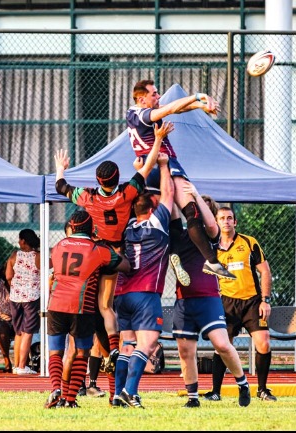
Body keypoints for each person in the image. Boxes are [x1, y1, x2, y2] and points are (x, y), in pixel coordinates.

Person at [54, 121, 173, 373]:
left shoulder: (88, 197)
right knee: (106, 306)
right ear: (118, 178)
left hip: (92, 254)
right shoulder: (127, 193)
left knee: (88, 304)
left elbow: (60, 187)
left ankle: (93, 358)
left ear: (98, 180)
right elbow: (148, 166)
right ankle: (114, 346)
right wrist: (158, 138)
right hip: (115, 253)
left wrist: (60, 169)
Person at [126, 79, 235, 281]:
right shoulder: (142, 114)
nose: (158, 96)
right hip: (165, 162)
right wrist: (198, 96)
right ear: (141, 99)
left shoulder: (136, 114)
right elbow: (171, 109)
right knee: (191, 212)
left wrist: (200, 105)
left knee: (172, 216)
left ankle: (174, 254)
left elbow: (176, 109)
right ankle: (212, 261)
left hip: (149, 169)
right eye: (154, 94)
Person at [170, 183, 251, 408]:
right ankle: (193, 397)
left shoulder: (211, 236)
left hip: (208, 298)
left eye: (202, 208)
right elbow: (174, 208)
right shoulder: (180, 234)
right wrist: (168, 183)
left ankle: (243, 384)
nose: (196, 210)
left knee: (222, 345)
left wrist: (196, 195)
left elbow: (211, 223)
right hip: (184, 299)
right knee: (186, 351)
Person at [44, 210, 131, 409]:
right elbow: (125, 266)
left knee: (57, 352)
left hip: (56, 304)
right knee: (86, 353)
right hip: (84, 307)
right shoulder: (100, 250)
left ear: (71, 228)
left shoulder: (58, 246)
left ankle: (57, 389)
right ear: (92, 229)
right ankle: (79, 398)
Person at [112, 151, 173, 409]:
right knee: (147, 344)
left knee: (127, 345)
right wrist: (164, 165)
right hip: (146, 293)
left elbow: (133, 197)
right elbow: (168, 193)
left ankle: (118, 394)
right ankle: (130, 392)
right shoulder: (157, 223)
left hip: (122, 294)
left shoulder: (127, 227)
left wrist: (140, 171)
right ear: (152, 209)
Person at [208, 206, 277, 402]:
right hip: (226, 303)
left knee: (264, 342)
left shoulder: (249, 242)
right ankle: (215, 392)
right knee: (222, 346)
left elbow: (265, 271)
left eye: (230, 218)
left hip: (252, 302)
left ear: (235, 222)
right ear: (216, 222)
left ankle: (262, 390)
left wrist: (265, 300)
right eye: (222, 218)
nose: (226, 221)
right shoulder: (211, 248)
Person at [6, 228, 41, 375]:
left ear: (23, 241)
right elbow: (51, 266)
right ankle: (22, 366)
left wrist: (15, 286)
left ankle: (16, 365)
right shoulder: (38, 256)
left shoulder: (14, 255)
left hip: (15, 297)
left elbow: (8, 276)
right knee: (28, 332)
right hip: (32, 296)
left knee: (18, 332)